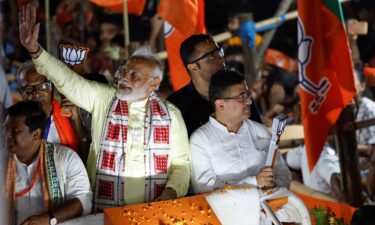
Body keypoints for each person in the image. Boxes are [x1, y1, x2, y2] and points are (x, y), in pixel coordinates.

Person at [19, 4, 190, 211]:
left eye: (134, 76)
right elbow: (68, 80)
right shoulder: (103, 97)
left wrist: (170, 193)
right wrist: (35, 50)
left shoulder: (170, 115)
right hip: (105, 211)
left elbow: (181, 165)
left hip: (154, 212)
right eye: (124, 71)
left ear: (154, 84)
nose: (125, 77)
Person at [190, 70, 291, 194]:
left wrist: (273, 183)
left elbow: (284, 175)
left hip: (270, 206)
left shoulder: (260, 131)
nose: (249, 101)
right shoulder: (201, 140)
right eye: (241, 97)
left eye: (248, 95)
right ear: (220, 105)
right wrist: (254, 182)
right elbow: (204, 188)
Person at [4, 101, 91, 225]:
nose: (6, 135)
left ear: (35, 134)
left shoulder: (66, 158)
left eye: (14, 130)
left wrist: (49, 219)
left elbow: (83, 201)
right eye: (5, 128)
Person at [167, 34, 262, 136]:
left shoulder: (238, 93)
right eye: (210, 56)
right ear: (193, 67)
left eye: (219, 52)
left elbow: (259, 133)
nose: (221, 59)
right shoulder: (175, 107)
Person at [16, 61, 80, 152]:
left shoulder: (70, 116)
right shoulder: (12, 123)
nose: (36, 93)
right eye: (28, 89)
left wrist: (77, 121)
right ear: (21, 93)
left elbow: (84, 156)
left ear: (51, 88)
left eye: (42, 86)